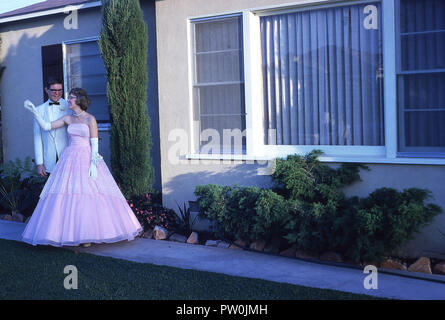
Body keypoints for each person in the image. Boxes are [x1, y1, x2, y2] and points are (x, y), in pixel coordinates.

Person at [22, 88, 142, 247]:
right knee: (69, 196)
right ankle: (71, 234)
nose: (68, 100)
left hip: (87, 157)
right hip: (70, 157)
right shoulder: (67, 118)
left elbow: (94, 144)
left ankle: (88, 235)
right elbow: (46, 126)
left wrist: (94, 165)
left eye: (71, 98)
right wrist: (35, 113)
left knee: (89, 194)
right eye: (69, 98)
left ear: (79, 100)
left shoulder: (90, 119)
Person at [34, 77, 71, 177]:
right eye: (54, 90)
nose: (57, 93)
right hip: (49, 159)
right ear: (46, 90)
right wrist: (39, 163)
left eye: (59, 90)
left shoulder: (70, 107)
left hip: (68, 156)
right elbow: (37, 138)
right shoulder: (38, 110)